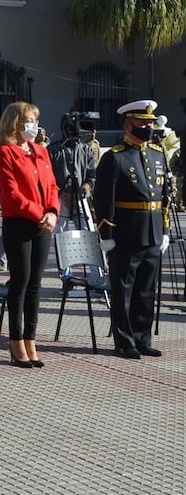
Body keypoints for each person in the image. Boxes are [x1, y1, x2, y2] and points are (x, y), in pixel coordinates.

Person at [93, 99, 170, 360]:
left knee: (146, 290)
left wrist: (165, 230)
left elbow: (165, 196)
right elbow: (103, 200)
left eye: (150, 122)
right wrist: (107, 236)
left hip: (153, 233)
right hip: (125, 234)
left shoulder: (158, 155)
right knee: (123, 290)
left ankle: (142, 337)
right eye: (142, 123)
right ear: (128, 125)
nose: (148, 127)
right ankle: (124, 342)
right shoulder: (114, 157)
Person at [0, 102, 59, 368]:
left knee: (35, 285)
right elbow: (11, 194)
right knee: (19, 282)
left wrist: (53, 212)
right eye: (28, 120)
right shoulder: (5, 153)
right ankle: (15, 340)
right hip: (19, 223)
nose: (33, 125)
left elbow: (53, 185)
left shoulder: (41, 151)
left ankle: (31, 339)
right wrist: (39, 213)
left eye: (35, 120)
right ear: (14, 124)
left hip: (44, 225)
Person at [48, 121, 96, 232]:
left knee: (88, 230)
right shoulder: (53, 150)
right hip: (60, 198)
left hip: (80, 198)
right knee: (59, 234)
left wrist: (83, 189)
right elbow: (48, 176)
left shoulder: (86, 149)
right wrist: (62, 194)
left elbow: (92, 175)